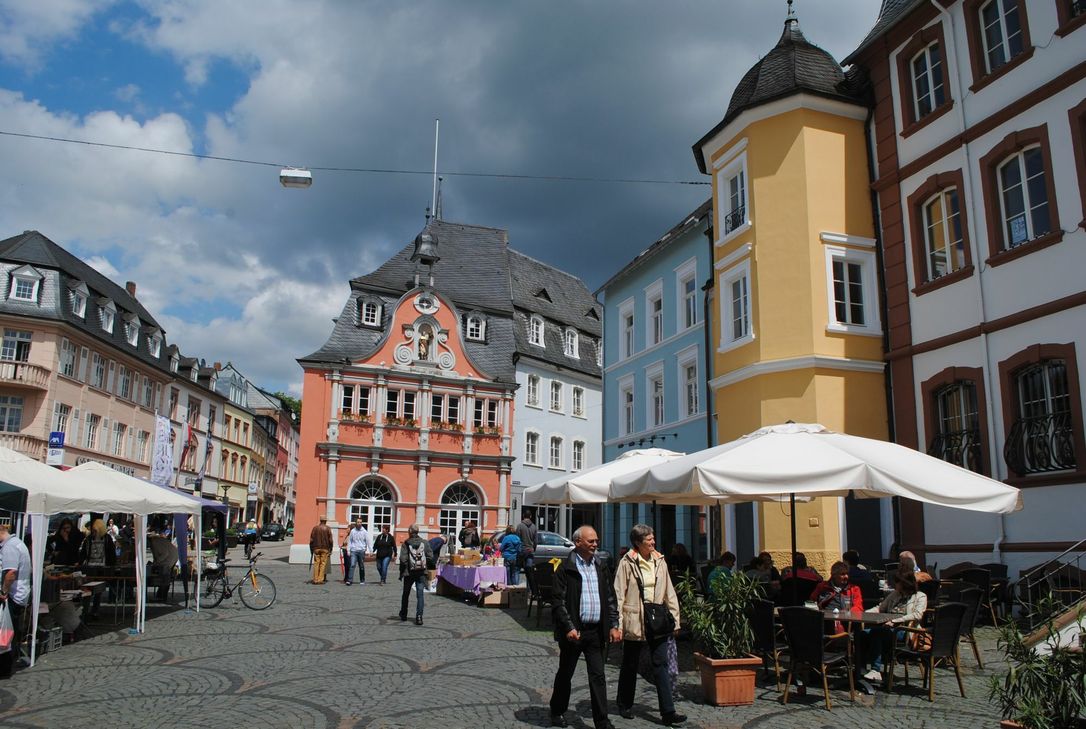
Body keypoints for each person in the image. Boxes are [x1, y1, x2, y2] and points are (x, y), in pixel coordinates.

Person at [613, 524, 685, 726]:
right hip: (635, 619)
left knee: (660, 664)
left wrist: (675, 619)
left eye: (653, 538)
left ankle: (668, 712)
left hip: (658, 620)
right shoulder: (627, 562)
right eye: (649, 540)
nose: (653, 542)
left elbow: (669, 591)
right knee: (630, 664)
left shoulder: (660, 560)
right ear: (638, 543)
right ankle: (624, 703)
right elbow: (619, 594)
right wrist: (617, 624)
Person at [549, 526, 621, 729]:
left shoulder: (600, 565)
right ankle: (557, 710)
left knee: (598, 675)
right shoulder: (565, 568)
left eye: (596, 541)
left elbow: (609, 597)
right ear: (578, 542)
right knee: (566, 672)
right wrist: (569, 627)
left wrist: (614, 624)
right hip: (574, 632)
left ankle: (602, 721)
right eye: (591, 541)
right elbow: (558, 601)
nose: (595, 544)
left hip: (596, 630)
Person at [860, 567, 928, 681]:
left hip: (906, 630)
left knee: (877, 633)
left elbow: (917, 615)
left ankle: (875, 670)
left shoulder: (920, 596)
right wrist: (864, 614)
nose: (895, 585)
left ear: (905, 583)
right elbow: (881, 608)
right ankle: (860, 668)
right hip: (887, 628)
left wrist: (896, 621)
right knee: (861, 633)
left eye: (897, 582)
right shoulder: (895, 594)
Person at [0, 522, 32, 676]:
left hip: (13, 595)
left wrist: (3, 592)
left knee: (6, 632)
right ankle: (9, 663)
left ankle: (5, 668)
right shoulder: (17, 543)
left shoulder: (10, 547)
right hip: (19, 594)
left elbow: (11, 573)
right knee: (9, 632)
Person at [79, 518, 116, 616]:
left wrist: (111, 566)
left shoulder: (107, 539)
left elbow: (111, 554)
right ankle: (85, 611)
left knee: (98, 591)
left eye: (96, 530)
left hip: (101, 569)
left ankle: (95, 611)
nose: (94, 532)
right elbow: (83, 552)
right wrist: (80, 562)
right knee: (87, 591)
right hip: (90, 568)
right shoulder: (89, 539)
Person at [398, 524, 434, 625]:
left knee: (406, 593)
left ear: (409, 532)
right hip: (421, 572)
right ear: (418, 532)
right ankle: (419, 617)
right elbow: (430, 557)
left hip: (409, 572)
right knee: (420, 594)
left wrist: (402, 571)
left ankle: (404, 614)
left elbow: (403, 559)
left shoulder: (406, 543)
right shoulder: (425, 543)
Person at [148, 530, 179, 602]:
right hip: (172, 555)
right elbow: (157, 555)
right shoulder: (157, 541)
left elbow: (165, 554)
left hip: (170, 557)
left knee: (164, 575)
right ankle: (161, 595)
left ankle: (162, 596)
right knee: (165, 576)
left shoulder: (155, 542)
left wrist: (156, 562)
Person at [344, 517, 370, 586]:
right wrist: (348, 550)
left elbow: (368, 541)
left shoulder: (364, 532)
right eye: (358, 522)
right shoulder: (353, 531)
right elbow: (350, 541)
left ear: (362, 523)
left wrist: (370, 550)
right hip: (353, 550)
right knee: (352, 565)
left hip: (361, 550)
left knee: (361, 566)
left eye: (360, 522)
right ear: (356, 523)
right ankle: (349, 580)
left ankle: (362, 580)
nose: (359, 523)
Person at [309, 515, 333, 584]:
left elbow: (311, 540)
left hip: (316, 548)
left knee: (316, 564)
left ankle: (315, 579)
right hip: (325, 548)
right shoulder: (328, 528)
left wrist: (311, 549)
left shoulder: (315, 528)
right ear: (325, 521)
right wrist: (331, 548)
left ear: (320, 520)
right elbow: (330, 540)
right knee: (323, 564)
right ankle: (320, 579)